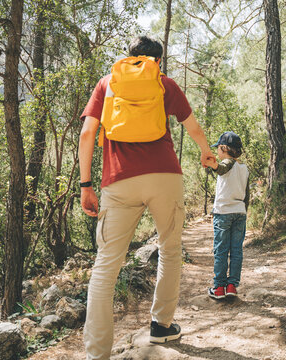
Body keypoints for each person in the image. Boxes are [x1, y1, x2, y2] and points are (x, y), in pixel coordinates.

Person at [78, 35, 215, 359]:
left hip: (118, 181)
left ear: (130, 57)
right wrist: (206, 152)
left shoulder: (107, 83)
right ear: (159, 61)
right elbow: (192, 128)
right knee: (169, 250)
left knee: (106, 266)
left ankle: (96, 354)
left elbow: (87, 133)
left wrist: (85, 185)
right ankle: (161, 326)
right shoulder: (164, 83)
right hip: (164, 177)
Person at [206, 131, 250, 299]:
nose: (217, 150)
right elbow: (247, 194)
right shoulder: (244, 168)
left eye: (218, 148)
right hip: (239, 211)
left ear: (224, 148)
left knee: (221, 250)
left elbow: (222, 168)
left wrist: (213, 164)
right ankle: (231, 286)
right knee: (236, 250)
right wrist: (243, 210)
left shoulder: (226, 163)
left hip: (224, 213)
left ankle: (218, 288)